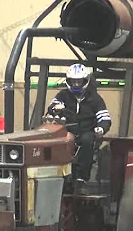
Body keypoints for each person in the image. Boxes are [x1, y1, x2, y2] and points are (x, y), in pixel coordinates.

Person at [46, 63, 112, 194]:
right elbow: (52, 107)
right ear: (68, 81)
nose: (76, 84)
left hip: (87, 132)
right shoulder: (63, 95)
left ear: (85, 81)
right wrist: (55, 108)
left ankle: (81, 180)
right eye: (73, 81)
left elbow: (105, 118)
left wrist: (101, 128)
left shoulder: (95, 99)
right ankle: (58, 177)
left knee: (87, 141)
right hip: (67, 132)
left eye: (79, 81)